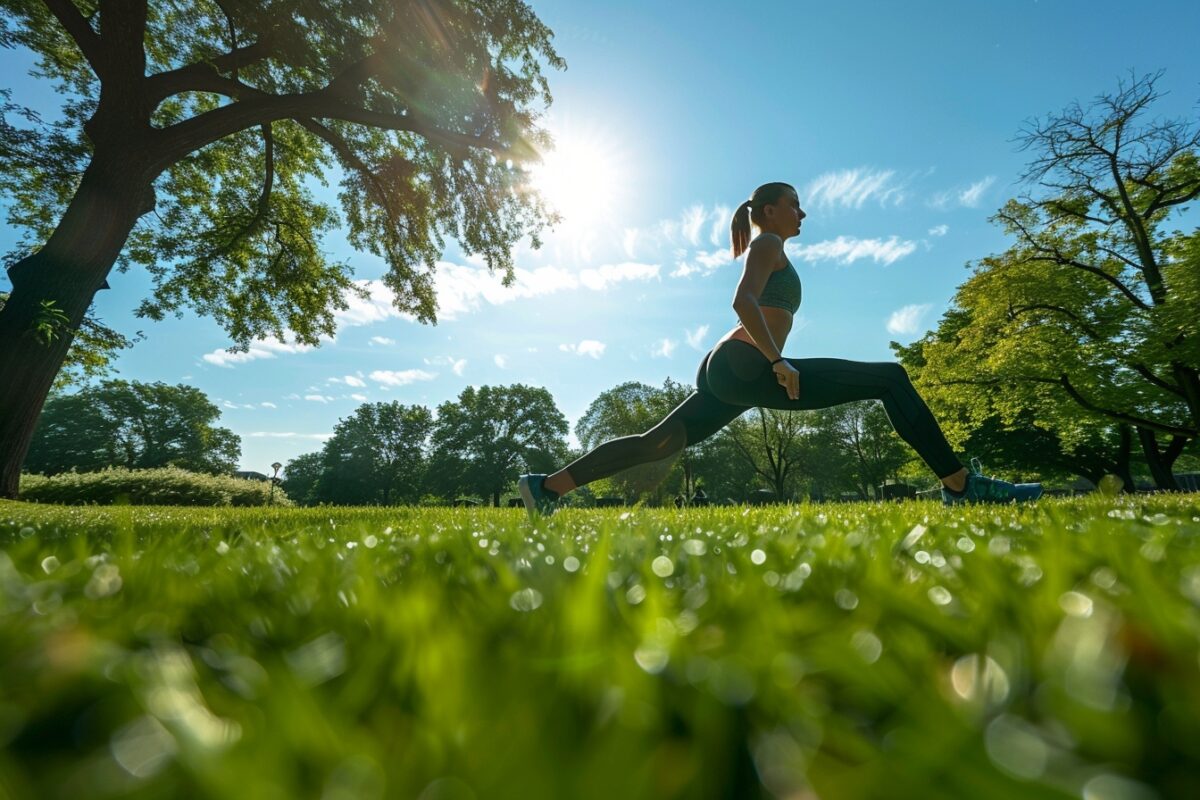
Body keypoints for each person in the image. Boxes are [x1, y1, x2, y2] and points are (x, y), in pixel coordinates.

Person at [518, 182, 1042, 516]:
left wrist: (769, 358)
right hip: (746, 362)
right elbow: (743, 301)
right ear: (769, 210)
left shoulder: (773, 248)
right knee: (890, 377)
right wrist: (778, 361)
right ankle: (959, 484)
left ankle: (547, 488)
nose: (803, 213)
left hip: (728, 367)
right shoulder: (769, 243)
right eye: (795, 204)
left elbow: (752, 307)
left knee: (658, 443)